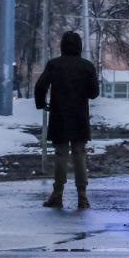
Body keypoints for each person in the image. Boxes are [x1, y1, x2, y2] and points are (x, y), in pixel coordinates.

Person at [34, 31, 100, 209]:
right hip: (80, 117)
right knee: (80, 155)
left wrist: (42, 104)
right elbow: (94, 93)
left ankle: (57, 195)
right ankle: (82, 196)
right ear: (80, 46)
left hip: (59, 116)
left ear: (62, 45)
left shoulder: (54, 65)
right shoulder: (87, 66)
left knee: (60, 155)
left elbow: (40, 86)